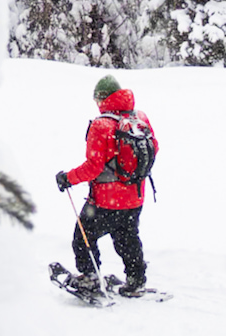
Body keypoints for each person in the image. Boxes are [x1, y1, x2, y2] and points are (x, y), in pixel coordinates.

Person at [55, 74, 158, 296]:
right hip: (135, 197)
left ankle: (90, 278)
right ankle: (136, 280)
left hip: (105, 201)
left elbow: (94, 166)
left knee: (83, 237)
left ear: (102, 99)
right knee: (127, 237)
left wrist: (68, 178)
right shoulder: (140, 118)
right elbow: (154, 148)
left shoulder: (101, 125)